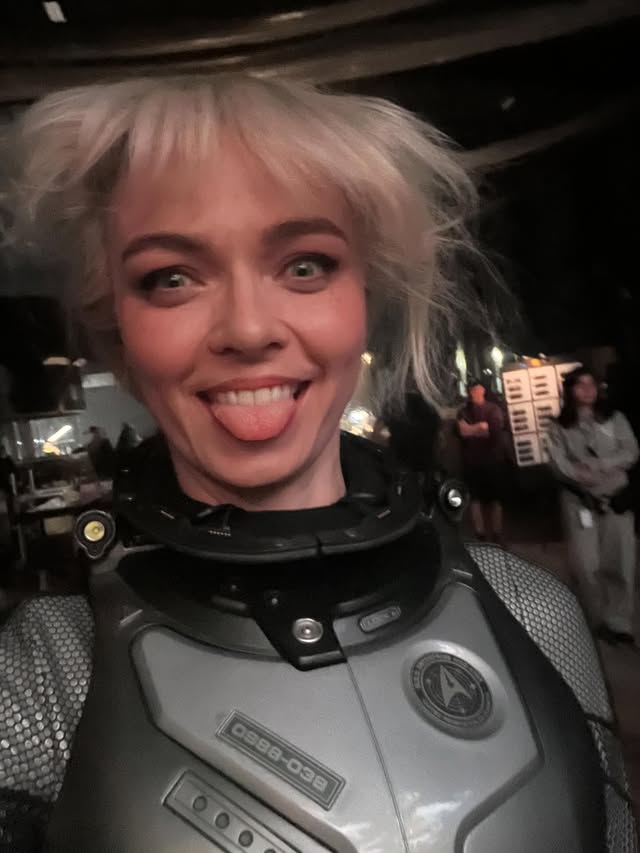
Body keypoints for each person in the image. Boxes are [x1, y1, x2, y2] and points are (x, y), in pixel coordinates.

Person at [0, 74, 633, 853]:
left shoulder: (533, 613)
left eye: (305, 265)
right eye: (172, 277)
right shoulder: (47, 674)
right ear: (118, 330)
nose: (248, 328)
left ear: (365, 295)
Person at [548, 366, 639, 645]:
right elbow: (559, 464)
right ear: (570, 390)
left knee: (620, 561)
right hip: (580, 503)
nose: (587, 390)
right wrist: (581, 476)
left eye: (592, 384)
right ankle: (596, 619)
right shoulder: (559, 426)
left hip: (615, 500)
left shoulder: (615, 419)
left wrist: (598, 465)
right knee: (587, 565)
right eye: (580, 384)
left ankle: (619, 622)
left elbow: (630, 451)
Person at [457, 381, 508, 542]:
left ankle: (496, 533)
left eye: (477, 389)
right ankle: (481, 534)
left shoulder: (493, 409)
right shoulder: (463, 411)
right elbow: (463, 433)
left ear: (483, 390)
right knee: (475, 499)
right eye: (472, 389)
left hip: (493, 460)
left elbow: (493, 433)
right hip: (472, 461)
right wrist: (480, 427)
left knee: (495, 498)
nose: (475, 392)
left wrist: (471, 429)